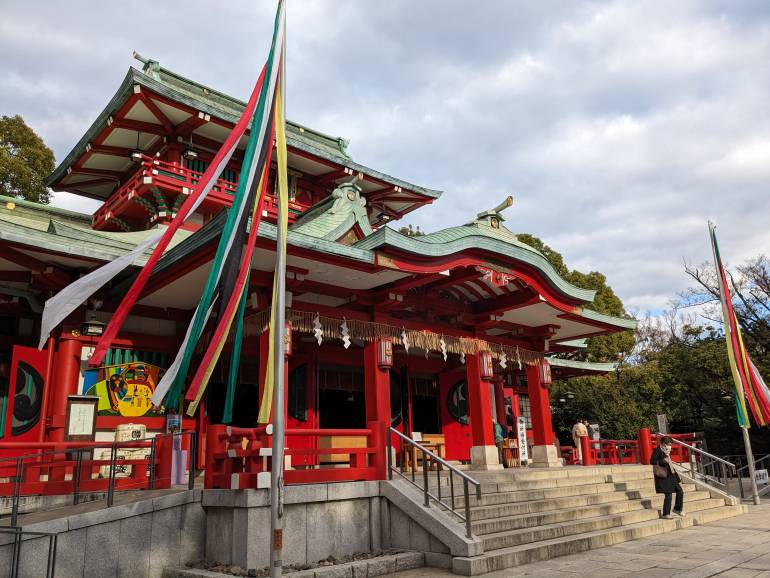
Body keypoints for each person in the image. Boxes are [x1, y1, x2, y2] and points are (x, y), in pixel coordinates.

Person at [650, 436, 684, 519]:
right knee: (668, 494)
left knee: (680, 491)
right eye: (668, 444)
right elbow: (652, 461)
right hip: (663, 475)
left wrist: (677, 477)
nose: (670, 446)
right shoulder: (658, 450)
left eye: (670, 444)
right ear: (663, 443)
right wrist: (662, 461)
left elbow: (670, 465)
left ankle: (677, 509)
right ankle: (666, 514)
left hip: (671, 475)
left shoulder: (667, 451)